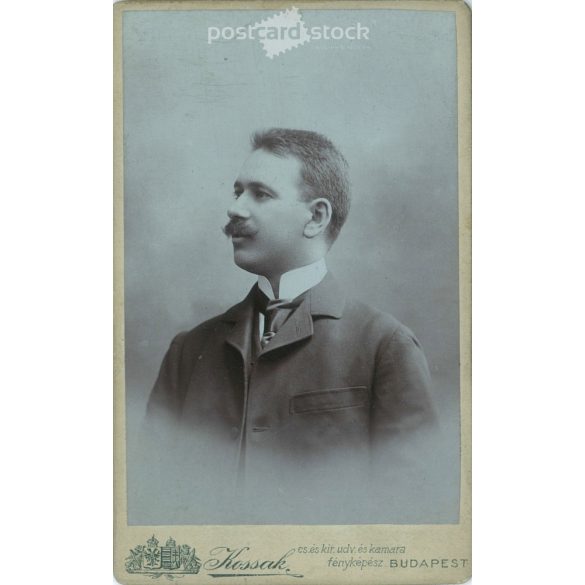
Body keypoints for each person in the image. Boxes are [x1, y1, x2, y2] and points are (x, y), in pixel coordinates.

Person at [145, 128, 437, 523]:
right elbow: (151, 499)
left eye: (260, 194)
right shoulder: (188, 351)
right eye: (237, 193)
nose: (236, 209)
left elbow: (413, 514)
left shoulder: (384, 347)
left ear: (316, 217)